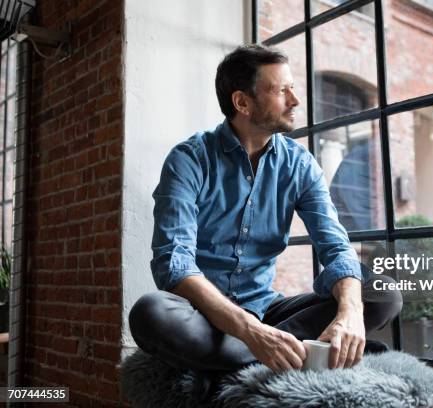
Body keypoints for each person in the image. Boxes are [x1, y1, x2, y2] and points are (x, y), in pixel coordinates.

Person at [128, 44, 403, 387]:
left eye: (293, 88)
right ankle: (289, 349)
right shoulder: (189, 160)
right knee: (149, 314)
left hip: (267, 310)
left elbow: (335, 246)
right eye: (281, 90)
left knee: (381, 293)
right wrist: (252, 333)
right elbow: (174, 263)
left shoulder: (300, 164)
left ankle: (251, 353)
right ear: (242, 102)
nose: (295, 100)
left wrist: (350, 312)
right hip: (201, 316)